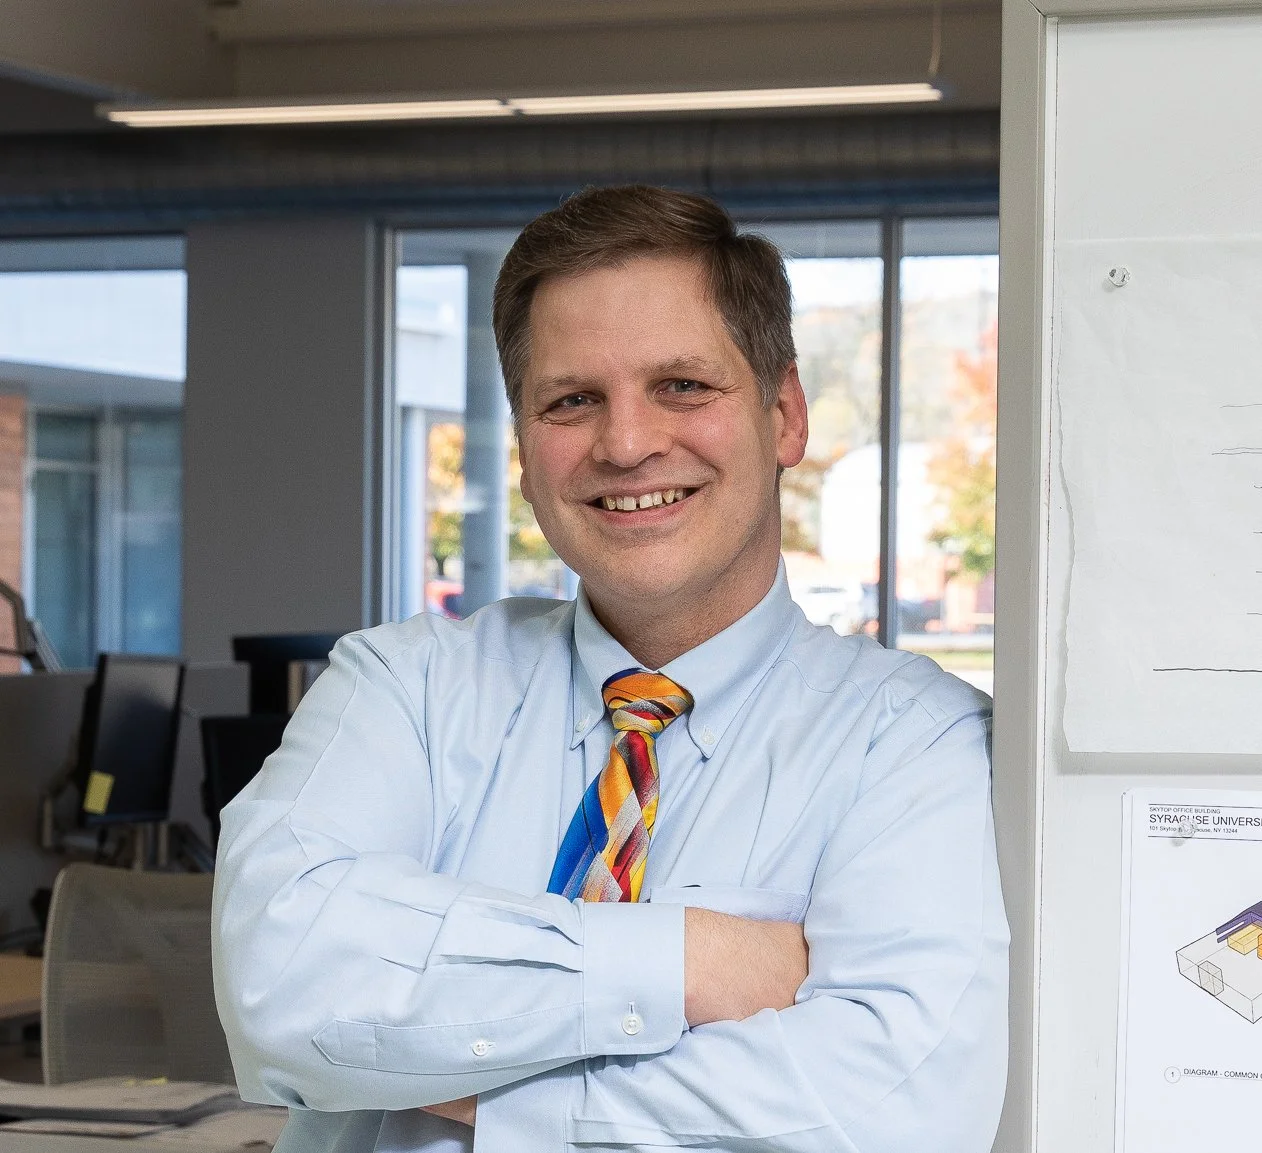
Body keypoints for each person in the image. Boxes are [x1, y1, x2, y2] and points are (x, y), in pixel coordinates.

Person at [212, 185, 1009, 1153]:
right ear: (522, 444)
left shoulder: (918, 740)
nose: (626, 444)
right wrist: (697, 957)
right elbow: (278, 988)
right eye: (571, 399)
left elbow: (887, 1114)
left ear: (784, 414)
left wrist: (462, 1083)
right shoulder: (403, 682)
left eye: (681, 385)